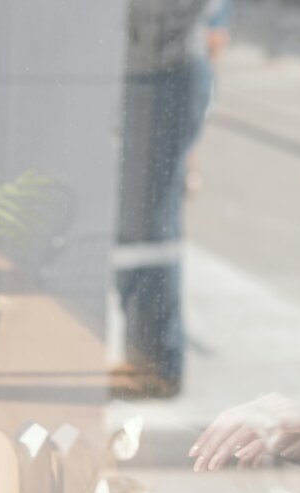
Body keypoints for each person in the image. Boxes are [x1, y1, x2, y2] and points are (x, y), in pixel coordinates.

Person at [112, 0, 214, 398]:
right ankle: (146, 355)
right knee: (138, 226)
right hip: (148, 72)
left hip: (164, 73)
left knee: (149, 228)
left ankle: (158, 363)